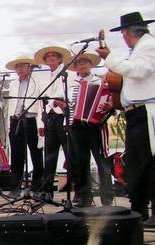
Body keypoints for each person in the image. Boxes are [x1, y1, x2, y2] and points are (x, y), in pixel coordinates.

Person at [96, 11, 155, 225]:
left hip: (146, 112)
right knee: (136, 164)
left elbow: (138, 71)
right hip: (134, 113)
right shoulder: (139, 49)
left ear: (127, 33)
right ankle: (139, 210)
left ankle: (149, 210)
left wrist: (109, 57)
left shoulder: (149, 46)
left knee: (149, 163)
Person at [66, 53, 114, 207]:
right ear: (75, 67)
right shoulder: (71, 84)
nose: (83, 65)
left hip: (95, 125)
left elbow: (109, 101)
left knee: (102, 162)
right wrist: (66, 106)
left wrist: (108, 106)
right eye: (79, 63)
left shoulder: (100, 82)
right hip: (77, 126)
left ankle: (107, 197)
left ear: (91, 65)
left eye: (86, 62)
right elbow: (69, 104)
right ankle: (83, 196)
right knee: (81, 162)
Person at [33, 46, 75, 199]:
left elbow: (71, 95)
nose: (51, 58)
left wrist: (60, 102)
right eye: (48, 56)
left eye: (53, 56)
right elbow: (41, 102)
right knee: (49, 156)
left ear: (59, 58)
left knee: (70, 154)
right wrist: (41, 124)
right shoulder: (45, 78)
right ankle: (47, 190)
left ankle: (74, 189)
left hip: (63, 117)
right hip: (49, 117)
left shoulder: (69, 74)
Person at [5, 57, 44, 196]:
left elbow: (41, 103)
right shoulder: (14, 84)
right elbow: (11, 104)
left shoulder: (37, 81)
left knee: (36, 154)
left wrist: (41, 122)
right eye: (17, 67)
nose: (20, 69)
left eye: (23, 66)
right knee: (16, 156)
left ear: (29, 67)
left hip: (31, 119)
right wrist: (10, 123)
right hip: (16, 120)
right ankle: (15, 187)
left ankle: (37, 187)